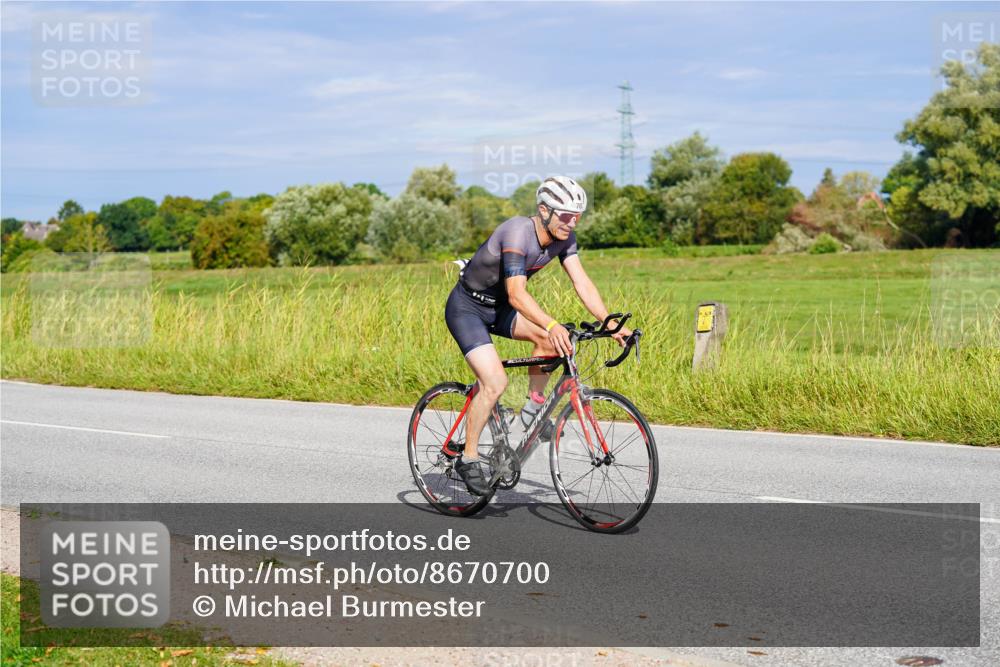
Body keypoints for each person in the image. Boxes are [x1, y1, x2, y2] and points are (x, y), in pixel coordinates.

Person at [443, 175, 631, 495]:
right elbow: (517, 294)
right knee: (496, 382)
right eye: (565, 215)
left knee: (551, 342)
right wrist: (550, 323)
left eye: (578, 216)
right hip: (468, 309)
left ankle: (533, 410)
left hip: (500, 308)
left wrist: (608, 322)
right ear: (544, 210)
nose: (572, 223)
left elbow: (581, 282)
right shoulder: (517, 232)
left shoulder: (565, 238)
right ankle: (469, 458)